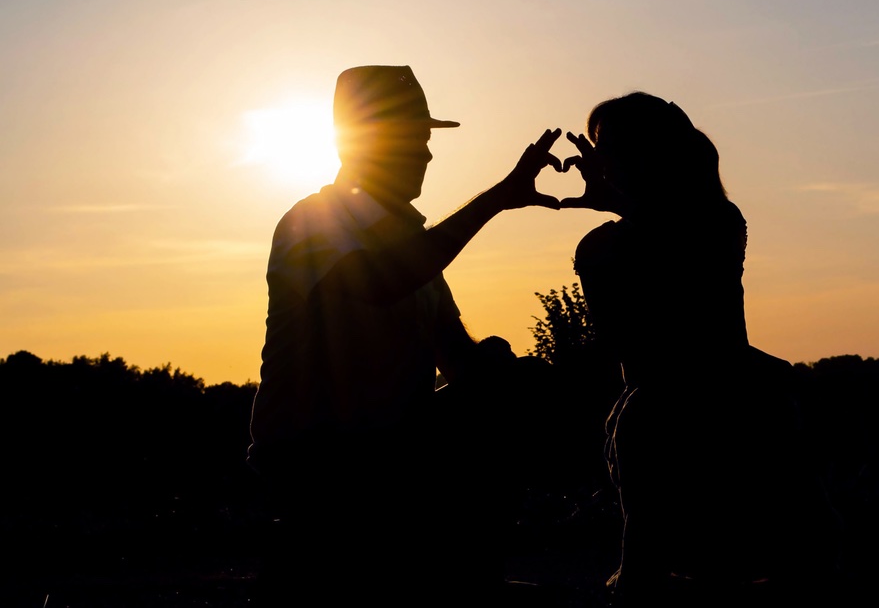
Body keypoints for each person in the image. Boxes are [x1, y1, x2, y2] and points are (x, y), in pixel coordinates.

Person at [246, 65, 565, 605]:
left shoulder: (413, 246)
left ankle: (469, 578)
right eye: (415, 140)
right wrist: (497, 198)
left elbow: (455, 356)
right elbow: (380, 283)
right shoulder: (312, 221)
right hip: (314, 455)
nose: (428, 154)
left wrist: (498, 369)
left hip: (392, 447)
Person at [561, 92, 843, 606]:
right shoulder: (616, 243)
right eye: (600, 148)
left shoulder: (711, 224)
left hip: (709, 414)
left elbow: (677, 263)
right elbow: (632, 338)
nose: (598, 159)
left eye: (610, 147)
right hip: (686, 416)